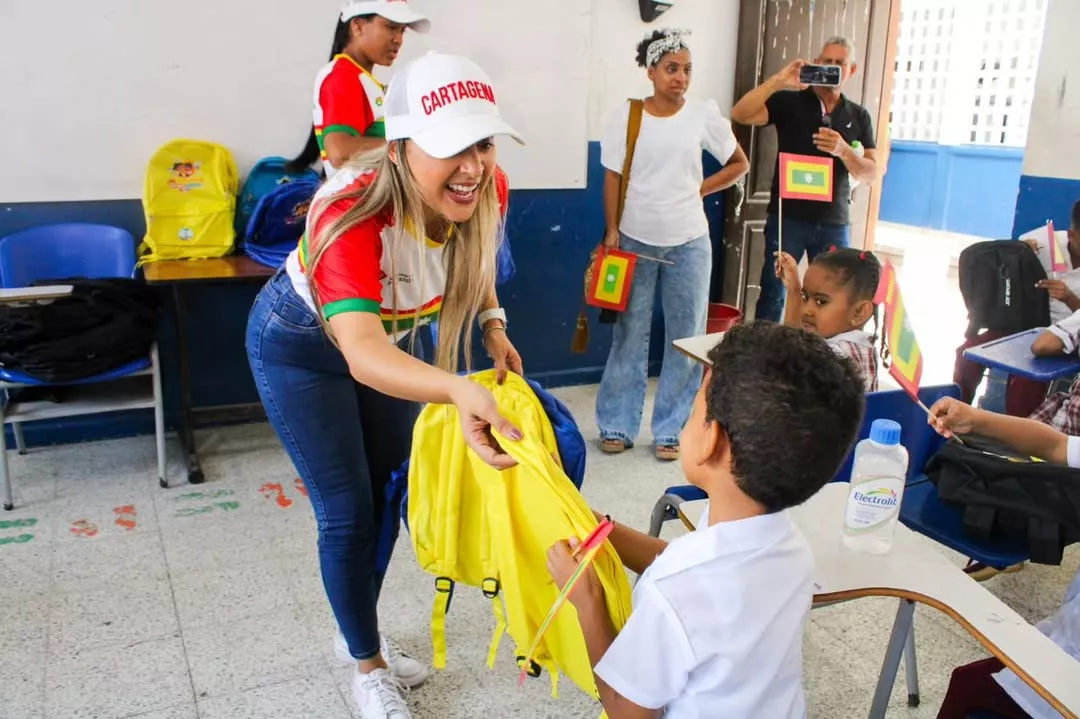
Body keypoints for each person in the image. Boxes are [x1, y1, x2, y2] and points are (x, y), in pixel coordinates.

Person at [246, 52, 525, 719]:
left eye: (482, 142)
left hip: (394, 341)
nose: (473, 165)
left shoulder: (486, 185)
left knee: (387, 495)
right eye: (450, 146)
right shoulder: (346, 208)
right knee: (345, 509)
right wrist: (457, 389)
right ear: (399, 149)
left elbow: (475, 248)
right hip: (302, 346)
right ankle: (367, 666)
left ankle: (355, 633)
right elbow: (363, 352)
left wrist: (491, 320)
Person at [548, 322, 865, 718]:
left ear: (712, 439)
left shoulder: (673, 591)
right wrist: (602, 530)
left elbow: (625, 711)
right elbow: (682, 560)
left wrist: (587, 601)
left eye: (692, 412)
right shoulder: (790, 547)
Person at [596, 28, 750, 462]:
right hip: (634, 240)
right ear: (650, 72)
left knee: (686, 339)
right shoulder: (626, 116)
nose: (680, 78)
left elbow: (740, 163)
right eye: (671, 69)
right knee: (629, 334)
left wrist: (702, 188)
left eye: (686, 70)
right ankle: (616, 424)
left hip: (689, 243)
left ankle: (671, 430)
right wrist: (612, 231)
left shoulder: (702, 114)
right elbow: (613, 176)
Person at [929, 397, 1080, 719]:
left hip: (1066, 688)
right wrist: (976, 420)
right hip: (1063, 644)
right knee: (968, 681)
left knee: (970, 692)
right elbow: (1057, 446)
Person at [731, 37, 879, 323]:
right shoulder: (789, 101)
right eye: (826, 61)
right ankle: (765, 357)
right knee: (774, 290)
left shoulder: (858, 115)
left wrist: (844, 150)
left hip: (834, 221)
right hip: (788, 218)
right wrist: (779, 80)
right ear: (815, 63)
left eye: (840, 63)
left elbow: (871, 171)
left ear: (853, 70)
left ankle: (815, 359)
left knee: (834, 295)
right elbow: (741, 113)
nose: (832, 68)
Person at [285, 1, 430, 178]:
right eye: (391, 27)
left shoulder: (359, 78)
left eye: (402, 30)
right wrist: (412, 147)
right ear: (358, 26)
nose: (398, 39)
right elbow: (339, 152)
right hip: (356, 202)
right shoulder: (343, 76)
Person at [776, 246, 884, 392]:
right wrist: (794, 290)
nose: (807, 310)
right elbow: (796, 343)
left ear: (859, 312)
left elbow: (789, 361)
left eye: (821, 302)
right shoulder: (862, 346)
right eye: (805, 297)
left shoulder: (837, 356)